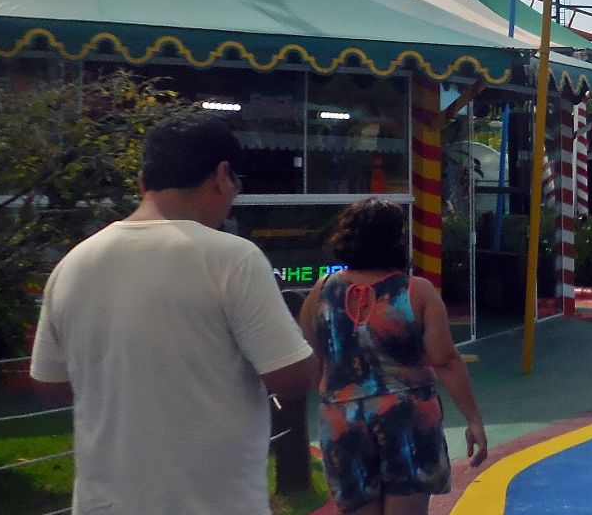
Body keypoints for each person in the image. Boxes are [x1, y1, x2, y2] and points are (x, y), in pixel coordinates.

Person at [28, 115, 318, 515]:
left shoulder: (74, 264)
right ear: (222, 176)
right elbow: (291, 377)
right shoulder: (231, 258)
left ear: (143, 182)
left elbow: (51, 385)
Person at [300, 198, 488, 514]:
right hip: (406, 417)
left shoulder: (322, 291)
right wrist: (473, 418)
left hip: (342, 419)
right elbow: (445, 360)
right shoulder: (417, 292)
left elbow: (310, 351)